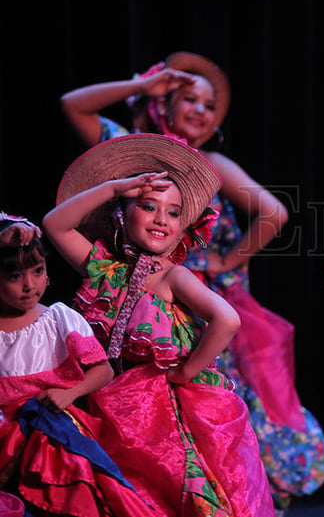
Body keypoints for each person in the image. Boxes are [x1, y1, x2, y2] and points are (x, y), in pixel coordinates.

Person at [60, 51, 324, 511]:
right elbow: (73, 104)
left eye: (210, 106)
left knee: (218, 397)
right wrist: (139, 85)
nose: (201, 112)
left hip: (191, 291)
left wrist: (227, 262)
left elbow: (275, 212)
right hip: (132, 285)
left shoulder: (210, 165)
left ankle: (228, 492)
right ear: (163, 102)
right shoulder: (130, 152)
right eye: (190, 99)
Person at [41, 133, 275, 517]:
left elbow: (227, 319)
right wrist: (115, 187)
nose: (161, 220)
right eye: (149, 206)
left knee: (167, 491)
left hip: (157, 410)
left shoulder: (171, 277)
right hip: (104, 400)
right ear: (121, 213)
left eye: (173, 212)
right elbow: (55, 224)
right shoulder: (104, 270)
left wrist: (186, 371)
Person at [0, 213, 160, 516]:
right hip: (5, 435)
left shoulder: (59, 319)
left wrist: (70, 393)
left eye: (37, 271)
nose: (29, 285)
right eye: (14, 276)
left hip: (54, 427)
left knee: (72, 487)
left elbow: (103, 370)